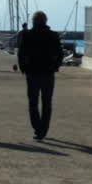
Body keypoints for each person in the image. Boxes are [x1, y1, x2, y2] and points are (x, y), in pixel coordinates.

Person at [17, 11, 62, 140]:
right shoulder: (53, 35)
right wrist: (56, 67)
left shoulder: (27, 35)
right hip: (48, 73)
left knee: (33, 102)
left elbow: (21, 53)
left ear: (33, 21)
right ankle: (43, 129)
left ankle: (38, 129)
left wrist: (23, 68)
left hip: (32, 73)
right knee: (47, 103)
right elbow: (60, 53)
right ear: (45, 21)